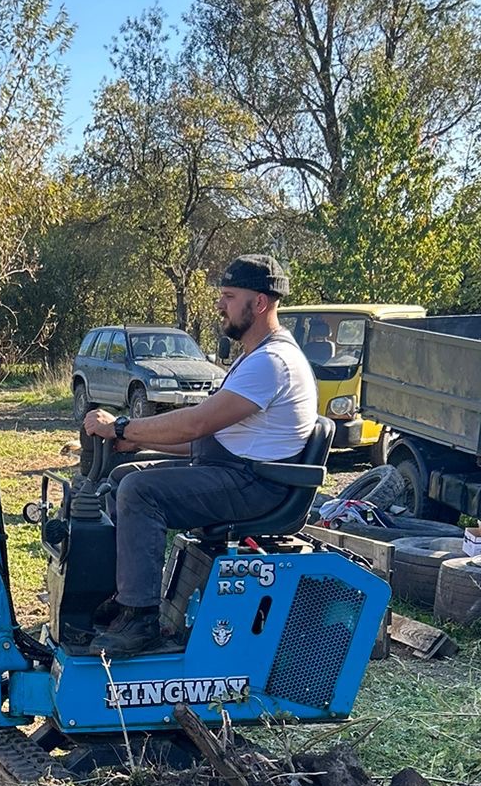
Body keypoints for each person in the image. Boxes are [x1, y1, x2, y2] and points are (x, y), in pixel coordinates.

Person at [80, 256, 318, 656]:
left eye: (228, 296)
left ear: (258, 303)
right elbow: (208, 439)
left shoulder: (272, 362)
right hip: (237, 470)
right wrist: (138, 442)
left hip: (260, 485)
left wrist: (122, 427)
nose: (220, 305)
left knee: (140, 491)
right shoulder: (254, 357)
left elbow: (195, 424)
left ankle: (141, 622)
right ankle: (127, 598)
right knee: (125, 476)